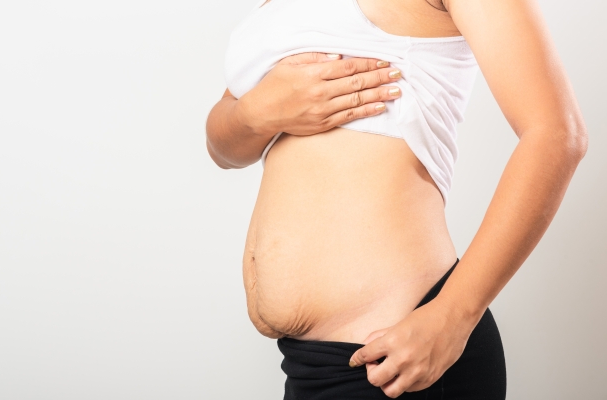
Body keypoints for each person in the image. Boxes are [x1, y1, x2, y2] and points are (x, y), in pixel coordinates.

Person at [205, 0, 588, 398]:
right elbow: (223, 148)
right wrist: (256, 113)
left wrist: (452, 317)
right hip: (307, 365)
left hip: (397, 357)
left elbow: (557, 135)